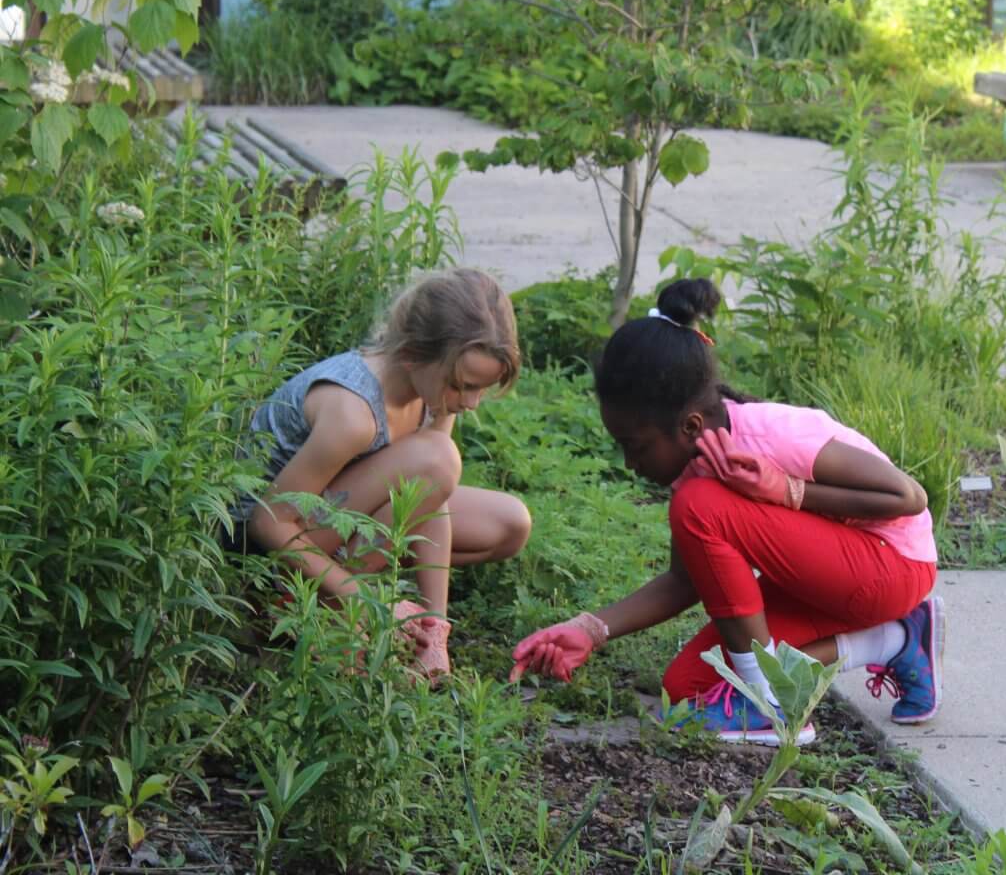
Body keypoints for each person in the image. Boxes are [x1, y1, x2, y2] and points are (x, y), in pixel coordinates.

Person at [510, 278, 942, 746]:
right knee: (687, 692)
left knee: (700, 506)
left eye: (634, 446)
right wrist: (591, 628)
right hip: (824, 578)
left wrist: (787, 489)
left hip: (892, 564)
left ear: (690, 424)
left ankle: (764, 701)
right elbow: (685, 581)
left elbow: (908, 496)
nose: (630, 463)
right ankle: (898, 640)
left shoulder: (774, 435)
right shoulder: (693, 460)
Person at [230, 268, 532, 680]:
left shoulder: (433, 390)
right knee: (436, 458)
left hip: (339, 520)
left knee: (509, 524)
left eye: (482, 387)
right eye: (464, 386)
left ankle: (405, 626)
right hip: (266, 553)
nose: (473, 402)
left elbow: (433, 501)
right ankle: (302, 608)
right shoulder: (352, 412)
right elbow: (267, 522)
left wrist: (434, 623)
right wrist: (371, 605)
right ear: (412, 354)